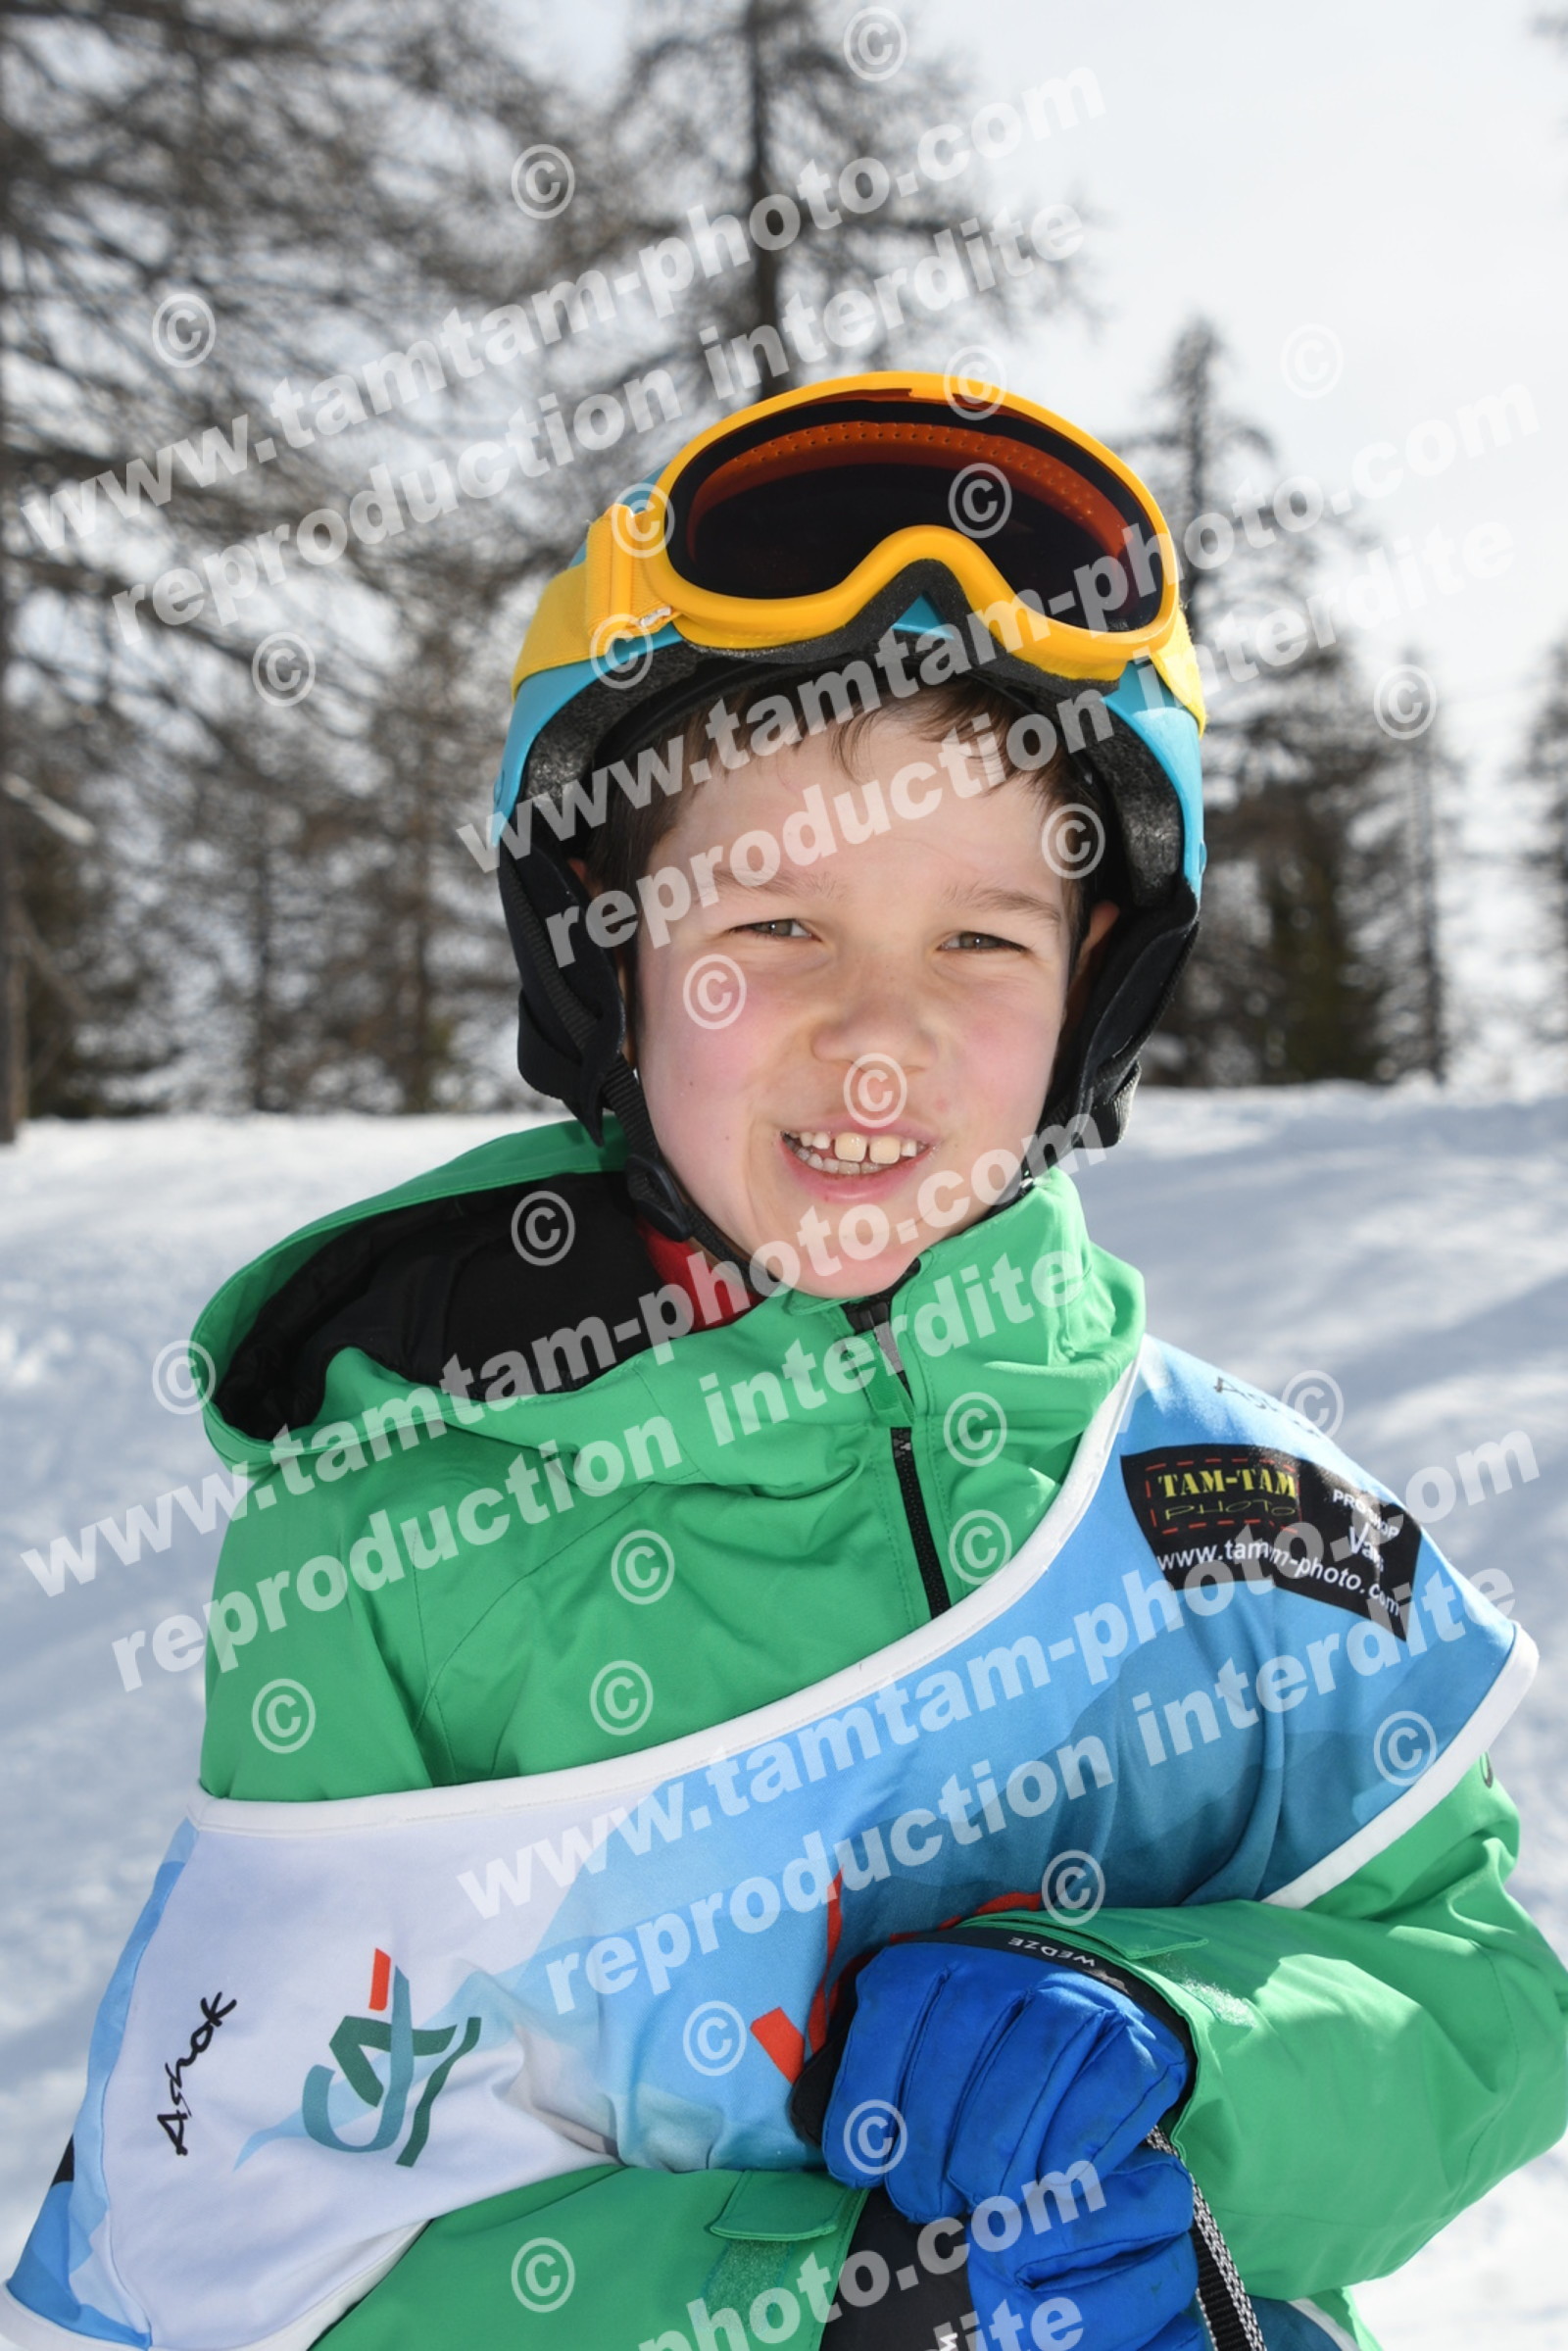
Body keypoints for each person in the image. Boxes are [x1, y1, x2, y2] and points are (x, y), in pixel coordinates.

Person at [7, 372, 1565, 2351]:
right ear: (610, 954)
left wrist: (1183, 2043)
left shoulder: (1219, 1513)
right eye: (774, 927)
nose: (878, 1039)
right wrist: (817, 2307)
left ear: (1093, 990)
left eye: (981, 943)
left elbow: (1478, 2000)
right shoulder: (387, 1555)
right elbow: (235, 2249)